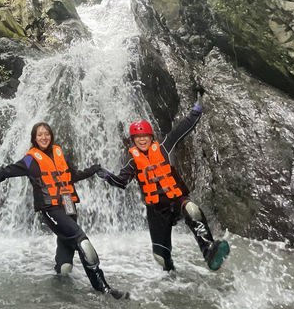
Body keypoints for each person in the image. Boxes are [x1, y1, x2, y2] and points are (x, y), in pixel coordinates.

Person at [0, 122, 129, 300]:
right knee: (83, 243)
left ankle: (60, 272)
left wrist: (94, 170)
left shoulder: (58, 153)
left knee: (65, 264)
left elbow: (72, 176)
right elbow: (7, 172)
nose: (44, 137)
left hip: (68, 203)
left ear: (51, 136)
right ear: (34, 138)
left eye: (46, 134)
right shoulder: (30, 159)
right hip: (50, 208)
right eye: (40, 135)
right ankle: (103, 289)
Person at [97, 96, 230, 272]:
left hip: (176, 199)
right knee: (160, 257)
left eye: (145, 136)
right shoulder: (132, 162)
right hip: (156, 210)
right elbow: (121, 182)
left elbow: (181, 129)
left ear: (151, 137)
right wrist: (107, 176)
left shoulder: (164, 147)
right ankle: (172, 277)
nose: (142, 140)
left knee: (192, 210)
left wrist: (195, 113)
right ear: (133, 141)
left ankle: (210, 252)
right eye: (138, 137)